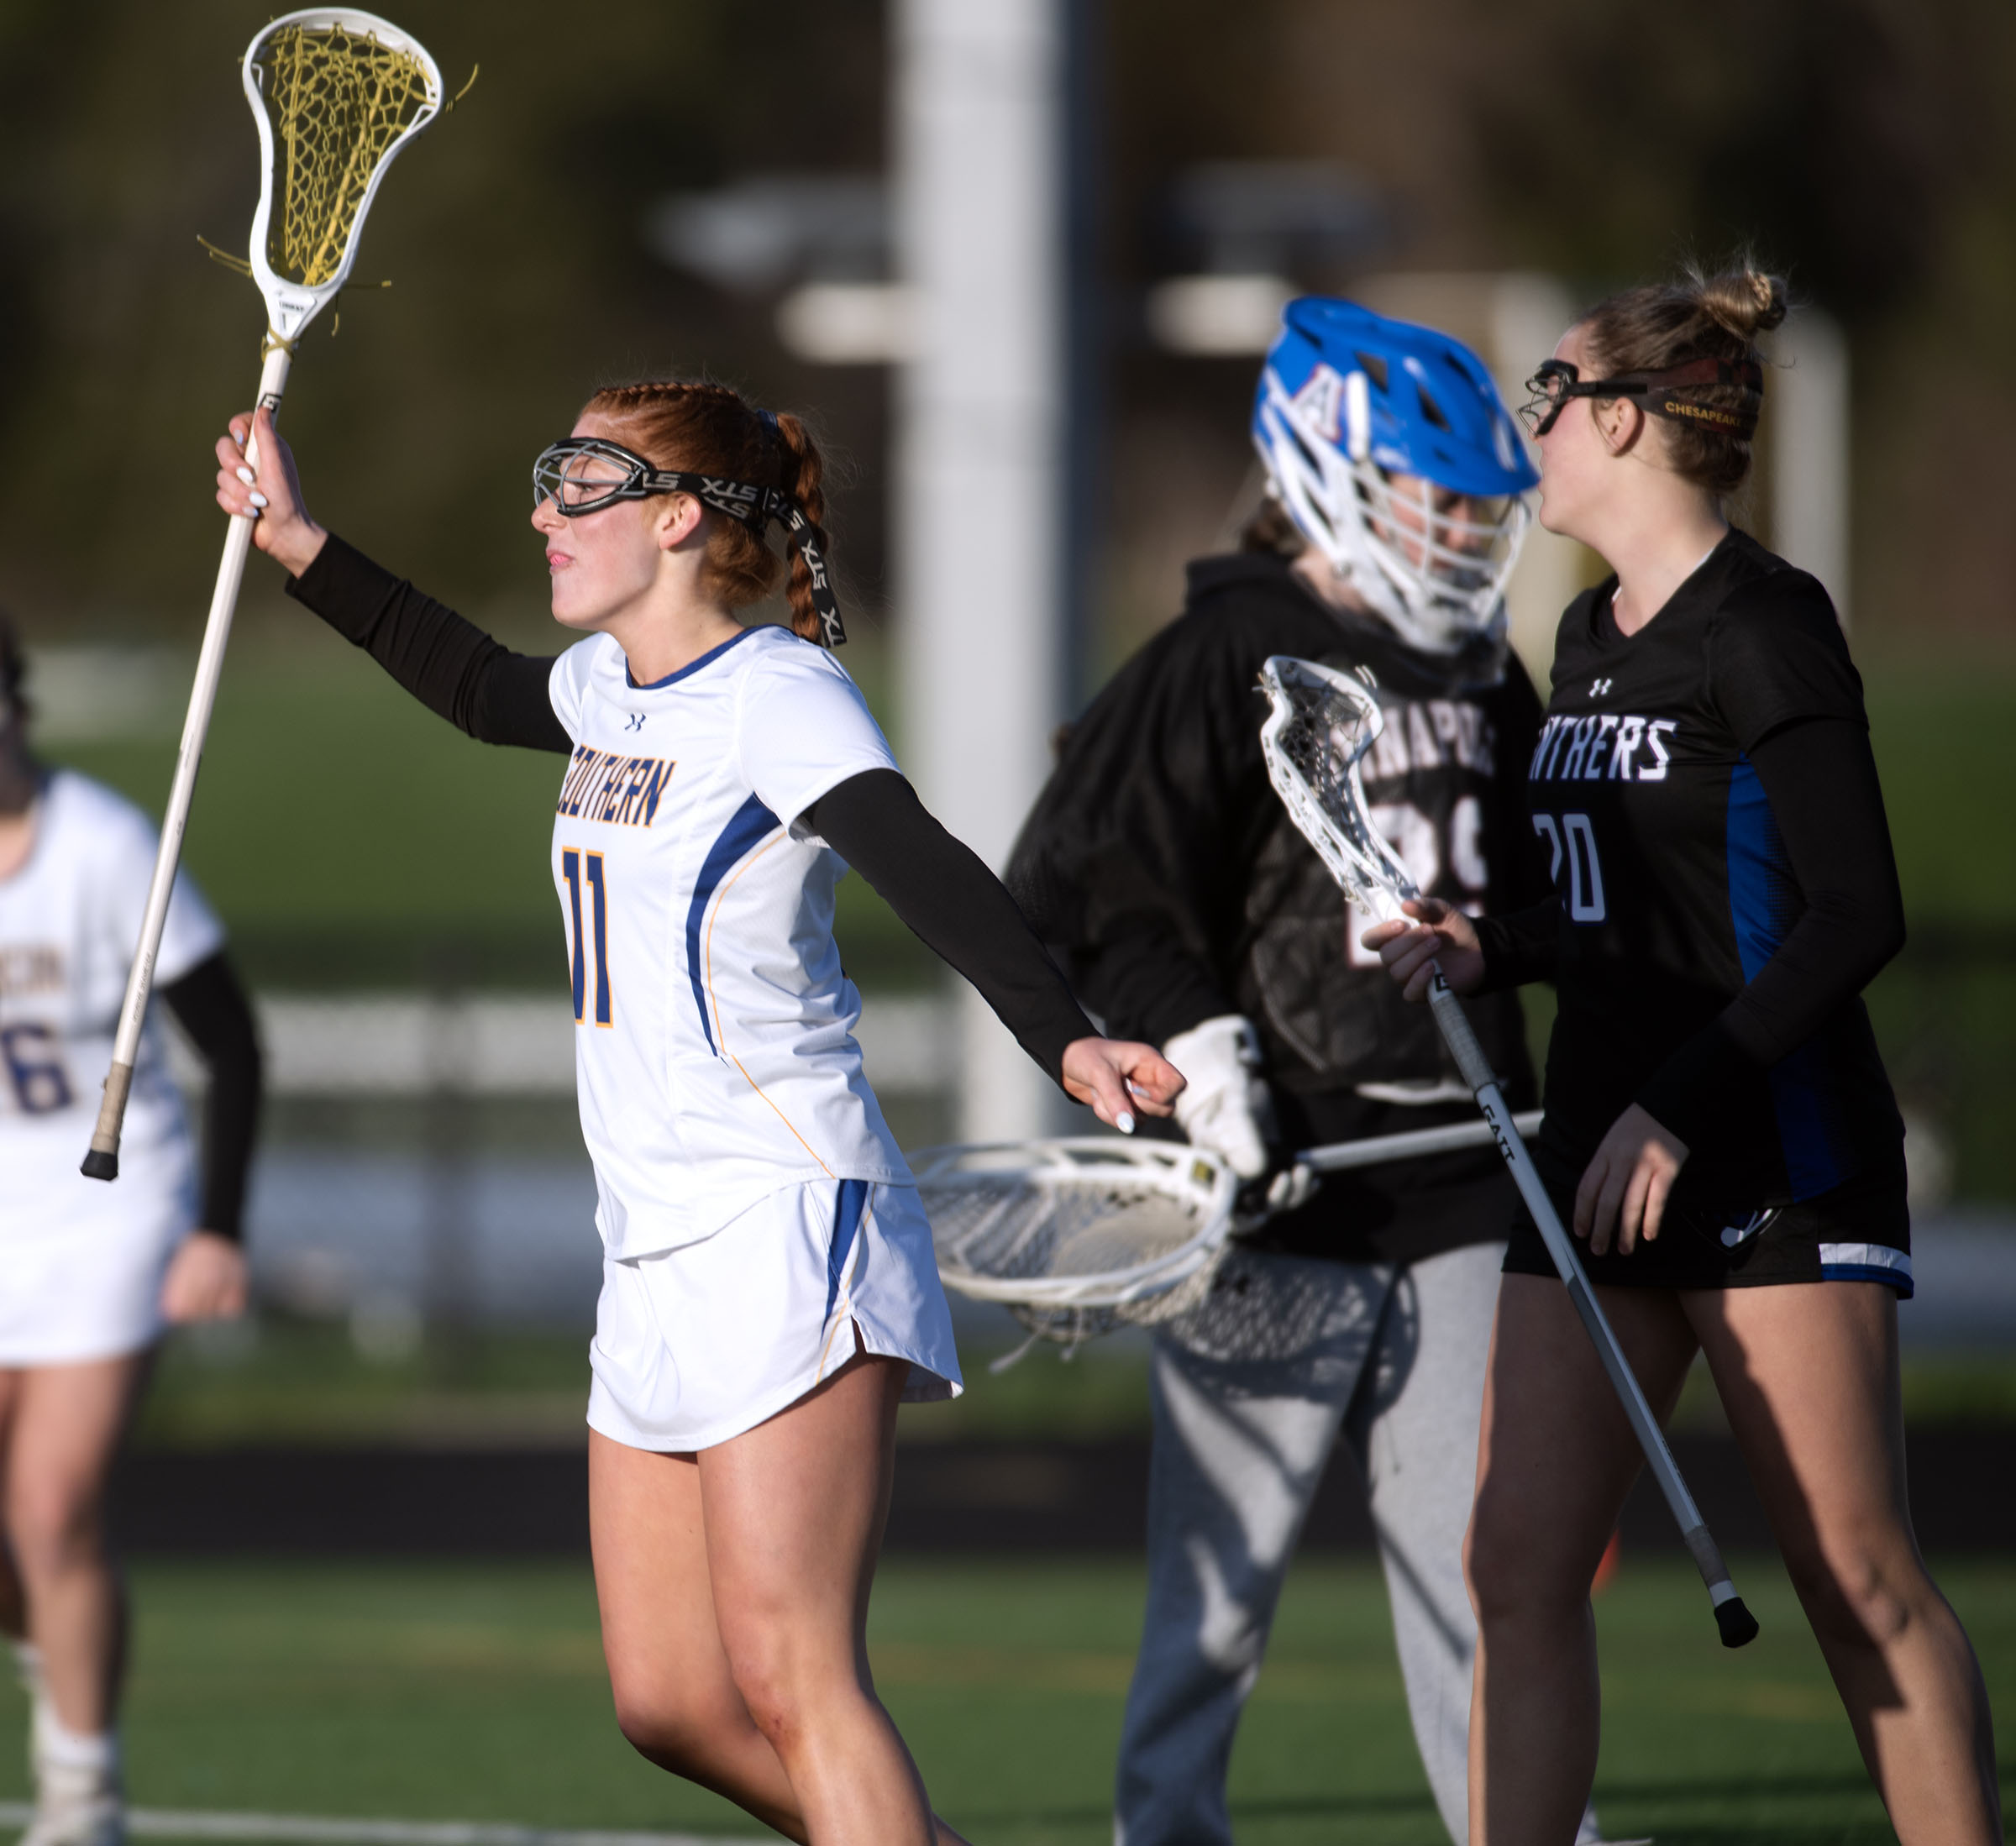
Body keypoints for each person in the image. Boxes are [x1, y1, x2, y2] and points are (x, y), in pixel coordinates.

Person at [213, 380, 1182, 1846]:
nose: (544, 512)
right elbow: (476, 685)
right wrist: (298, 542)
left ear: (677, 521)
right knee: (667, 1698)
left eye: (580, 485)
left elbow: (922, 863)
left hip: (785, 1214)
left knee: (798, 1675)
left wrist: (1067, 1038)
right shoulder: (611, 688)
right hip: (654, 1241)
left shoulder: (778, 692)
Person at [1369, 260, 2002, 1842]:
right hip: (1594, 1151)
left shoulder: (1768, 626)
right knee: (1515, 1559)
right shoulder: (1584, 633)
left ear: (1633, 421)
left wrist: (1677, 1105)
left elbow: (1856, 914)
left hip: (1763, 1151)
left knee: (1856, 1579)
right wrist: (1485, 941)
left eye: (1554, 398)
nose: (1533, 429)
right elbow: (1608, 910)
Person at [1010, 298, 1599, 1845]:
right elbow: (1086, 885)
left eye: (1481, 502)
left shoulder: (1480, 668)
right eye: (1433, 494)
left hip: (1471, 1183)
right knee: (1217, 1596)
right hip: (1279, 1195)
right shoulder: (1221, 653)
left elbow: (1548, 893)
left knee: (1487, 1568)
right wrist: (1204, 1057)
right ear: (1333, 472)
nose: (1466, 530)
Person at [0, 619, 262, 1846]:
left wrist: (216, 1228)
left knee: (50, 1508)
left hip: (112, 1207)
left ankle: (80, 1794)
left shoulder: (103, 849)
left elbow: (235, 1040)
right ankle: (57, 1653)